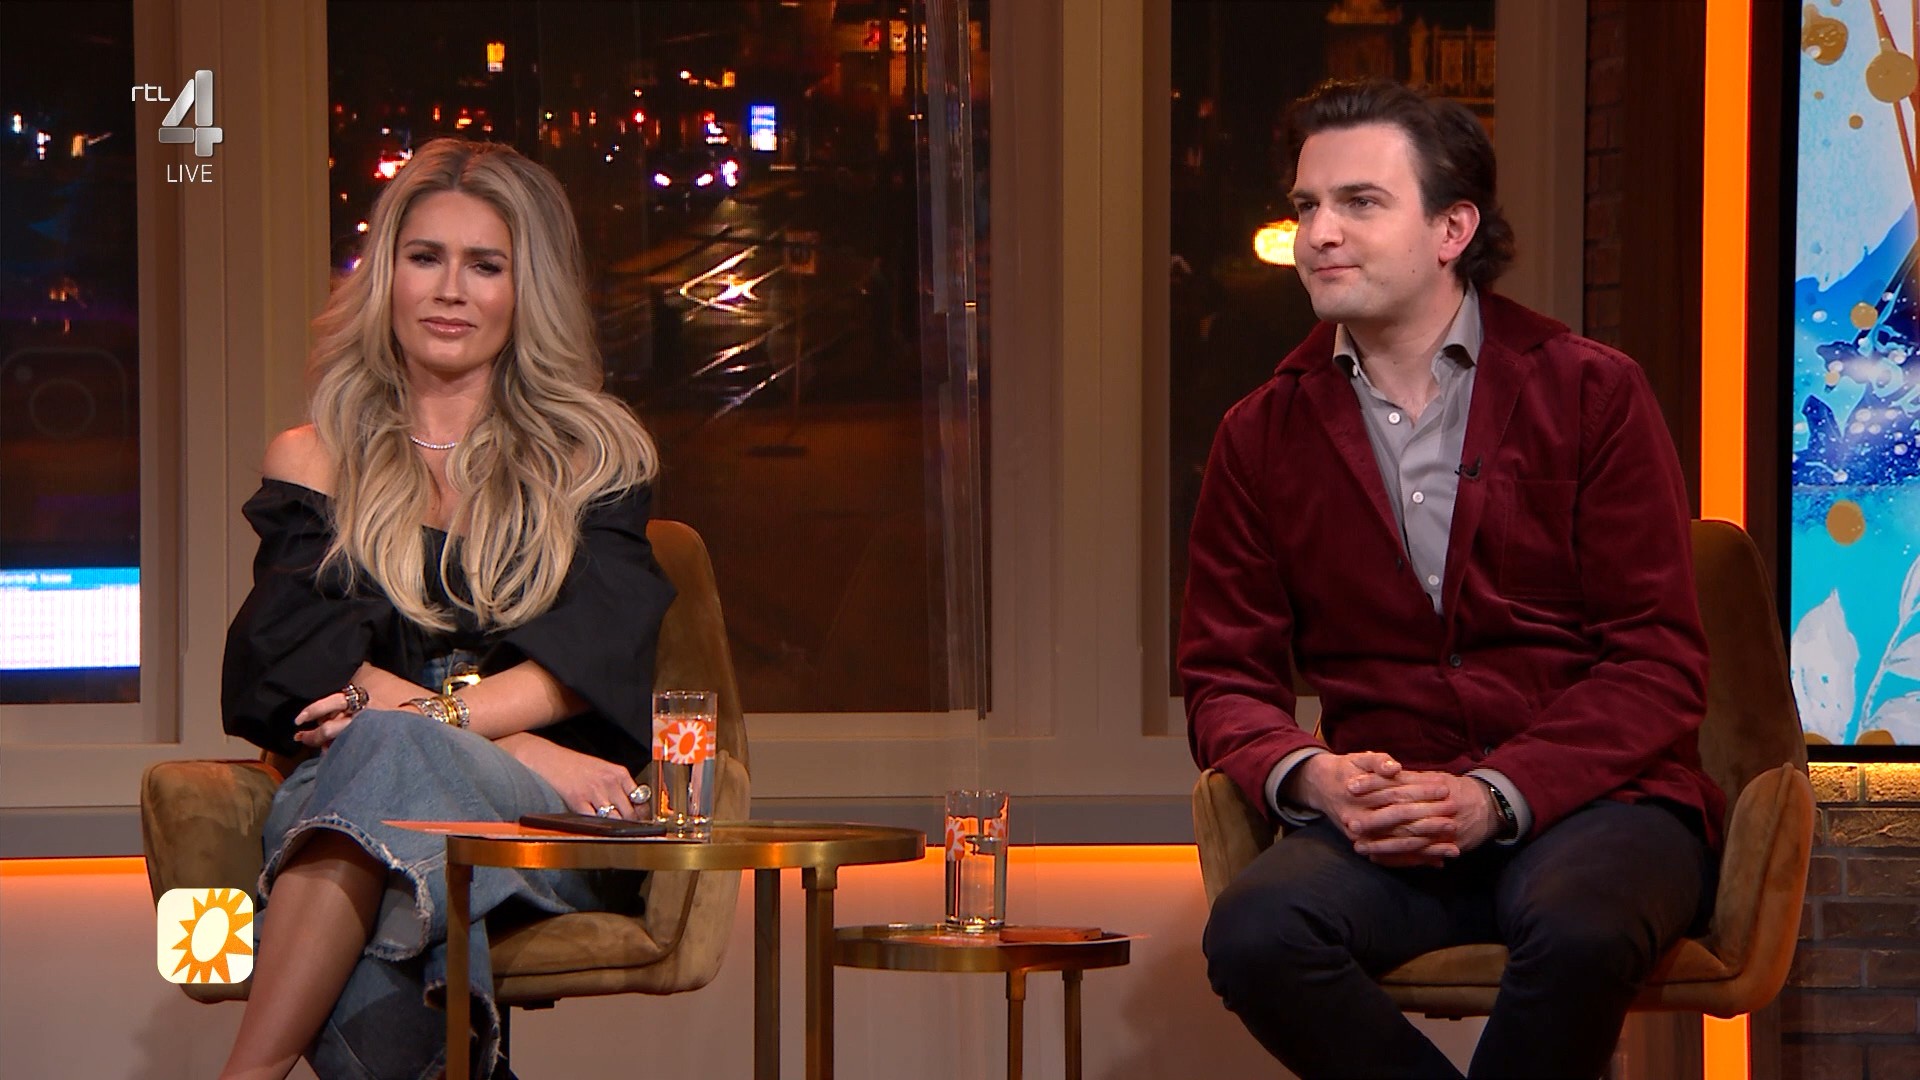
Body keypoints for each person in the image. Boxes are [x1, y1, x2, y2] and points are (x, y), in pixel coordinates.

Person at [1180, 80, 1725, 1079]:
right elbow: (1223, 678)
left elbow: (1657, 662)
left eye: (1360, 202)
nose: (1318, 234)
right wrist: (1315, 777)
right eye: (1307, 206)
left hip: (1596, 804)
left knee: (1582, 930)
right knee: (1257, 936)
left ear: (1452, 229)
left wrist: (1495, 792)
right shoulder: (1259, 435)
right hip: (1388, 822)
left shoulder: (1592, 391)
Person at [218, 138, 676, 1080]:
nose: (451, 290)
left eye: (486, 265)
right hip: (363, 788)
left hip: (538, 816)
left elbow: (594, 657)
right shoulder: (313, 458)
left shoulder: (594, 457)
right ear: (386, 277)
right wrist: (504, 743)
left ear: (525, 288)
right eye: (425, 257)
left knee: (390, 756)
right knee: (391, 801)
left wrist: (452, 736)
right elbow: (292, 664)